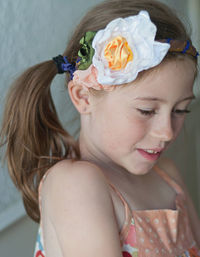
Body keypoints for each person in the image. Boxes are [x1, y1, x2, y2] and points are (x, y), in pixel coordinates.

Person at [0, 0, 200, 256]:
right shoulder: (76, 184)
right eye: (146, 111)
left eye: (180, 110)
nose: (168, 132)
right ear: (83, 97)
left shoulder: (169, 178)